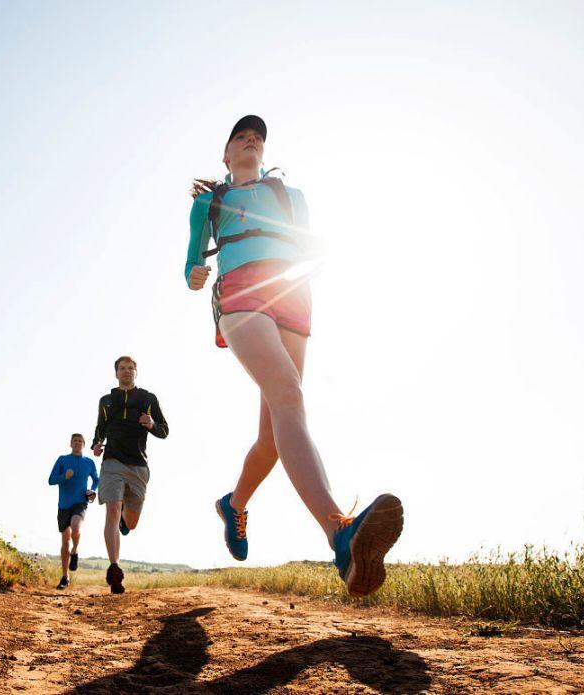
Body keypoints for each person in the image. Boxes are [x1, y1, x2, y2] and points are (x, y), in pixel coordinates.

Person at [184, 115, 404, 597]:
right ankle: (340, 534)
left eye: (258, 136)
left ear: (264, 152)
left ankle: (233, 505)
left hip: (293, 295)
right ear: (226, 155)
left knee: (272, 436)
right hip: (241, 295)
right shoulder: (209, 202)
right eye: (241, 135)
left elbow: (306, 244)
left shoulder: (291, 196)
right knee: (288, 395)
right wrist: (196, 276)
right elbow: (191, 263)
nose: (251, 139)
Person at [91, 356, 169, 594]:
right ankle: (115, 569)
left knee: (130, 523)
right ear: (116, 374)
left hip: (138, 466)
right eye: (122, 368)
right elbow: (99, 430)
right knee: (112, 509)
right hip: (112, 462)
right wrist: (96, 444)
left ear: (136, 372)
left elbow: (164, 431)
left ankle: (125, 520)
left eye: (130, 368)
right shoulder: (106, 401)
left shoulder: (148, 399)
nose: (126, 371)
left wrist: (151, 424)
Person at [47, 433, 98, 589]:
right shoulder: (62, 460)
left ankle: (74, 552)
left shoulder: (89, 462)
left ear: (83, 444)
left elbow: (96, 479)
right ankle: (65, 577)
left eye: (80, 441)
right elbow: (51, 480)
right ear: (71, 444)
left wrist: (92, 490)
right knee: (65, 540)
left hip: (80, 502)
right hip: (63, 505)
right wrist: (64, 476)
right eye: (74, 441)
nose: (77, 443)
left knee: (76, 527)